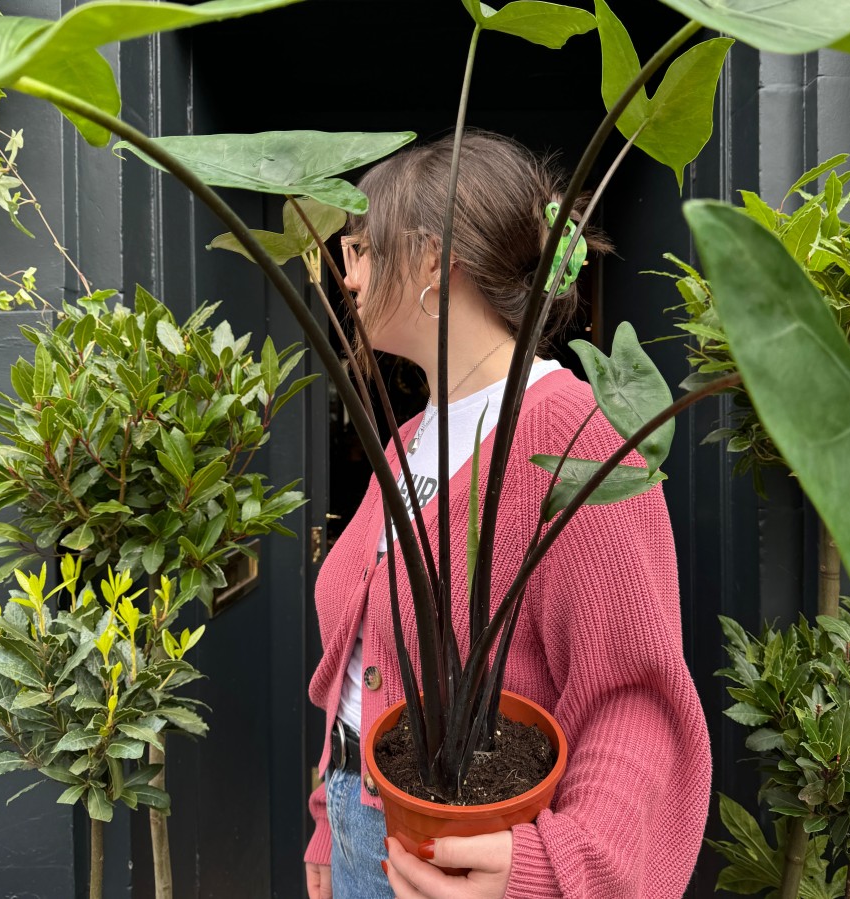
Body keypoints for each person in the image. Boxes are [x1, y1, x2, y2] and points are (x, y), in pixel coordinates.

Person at [304, 132, 711, 899]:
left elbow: (632, 697)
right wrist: (331, 821)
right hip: (367, 831)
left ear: (431, 259)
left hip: (474, 866)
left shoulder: (574, 433)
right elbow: (365, 662)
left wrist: (555, 869)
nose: (348, 277)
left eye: (359, 248)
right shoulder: (405, 442)